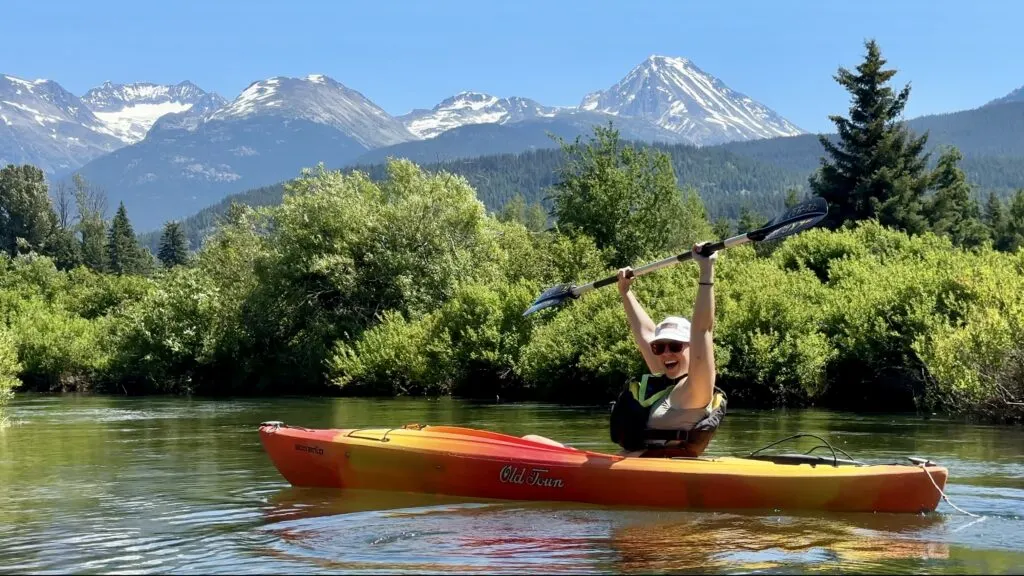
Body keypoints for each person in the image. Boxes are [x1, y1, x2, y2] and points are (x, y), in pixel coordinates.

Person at [524, 241, 726, 457]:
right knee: (530, 441)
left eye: (675, 345)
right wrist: (625, 291)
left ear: (691, 348)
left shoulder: (697, 386)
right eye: (660, 347)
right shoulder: (664, 380)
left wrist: (706, 269)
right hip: (627, 463)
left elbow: (703, 330)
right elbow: (646, 334)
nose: (666, 352)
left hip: (658, 470)